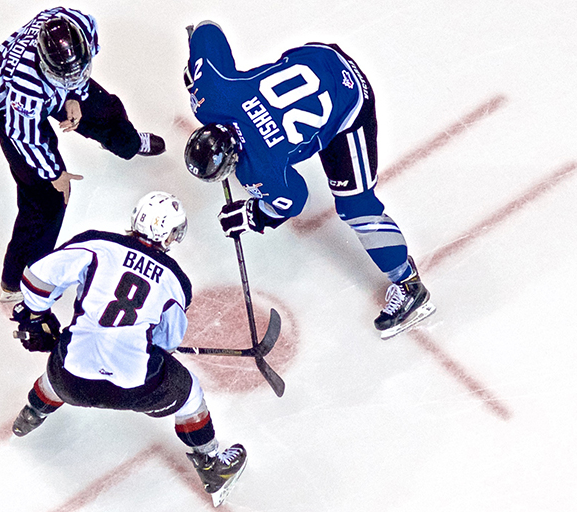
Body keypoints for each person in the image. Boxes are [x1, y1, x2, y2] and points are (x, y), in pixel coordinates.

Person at [182, 21, 435, 338]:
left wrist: (254, 214)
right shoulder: (210, 96)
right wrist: (196, 68)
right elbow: (206, 30)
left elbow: (293, 199)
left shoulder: (260, 170)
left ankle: (409, 285)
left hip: (349, 103)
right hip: (318, 57)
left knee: (357, 207)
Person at [8, 191, 246, 499]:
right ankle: (212, 463)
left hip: (68, 383)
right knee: (189, 395)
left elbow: (36, 277)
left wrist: (36, 314)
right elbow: (167, 342)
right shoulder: (175, 280)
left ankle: (32, 412)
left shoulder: (97, 244)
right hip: (136, 390)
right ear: (170, 234)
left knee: (71, 356)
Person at [0, 7, 167, 303]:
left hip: (50, 91)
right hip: (8, 108)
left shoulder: (80, 24)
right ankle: (18, 281)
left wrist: (75, 95)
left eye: (79, 71)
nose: (74, 78)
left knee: (106, 111)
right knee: (47, 201)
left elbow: (76, 76)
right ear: (45, 65)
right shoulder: (25, 89)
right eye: (64, 78)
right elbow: (24, 138)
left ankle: (128, 144)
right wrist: (55, 174)